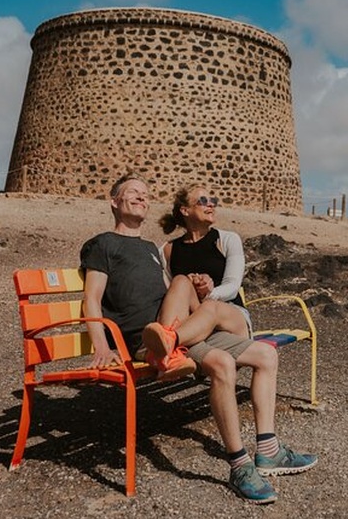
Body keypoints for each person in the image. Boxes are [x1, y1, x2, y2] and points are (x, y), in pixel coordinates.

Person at [80, 173, 317, 504]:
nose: (141, 197)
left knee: (265, 355)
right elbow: (92, 298)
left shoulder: (151, 249)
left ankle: (269, 450)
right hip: (141, 340)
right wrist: (102, 345)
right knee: (219, 361)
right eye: (132, 192)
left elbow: (172, 295)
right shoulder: (102, 244)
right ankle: (239, 464)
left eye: (145, 194)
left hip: (175, 332)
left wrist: (196, 297)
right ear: (114, 202)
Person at [157, 184, 250, 339]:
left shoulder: (227, 240)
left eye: (212, 200)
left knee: (210, 307)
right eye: (203, 200)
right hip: (192, 318)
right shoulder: (167, 250)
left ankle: (168, 341)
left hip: (229, 313)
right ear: (185, 210)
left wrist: (209, 293)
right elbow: (170, 293)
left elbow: (233, 287)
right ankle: (167, 343)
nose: (211, 204)